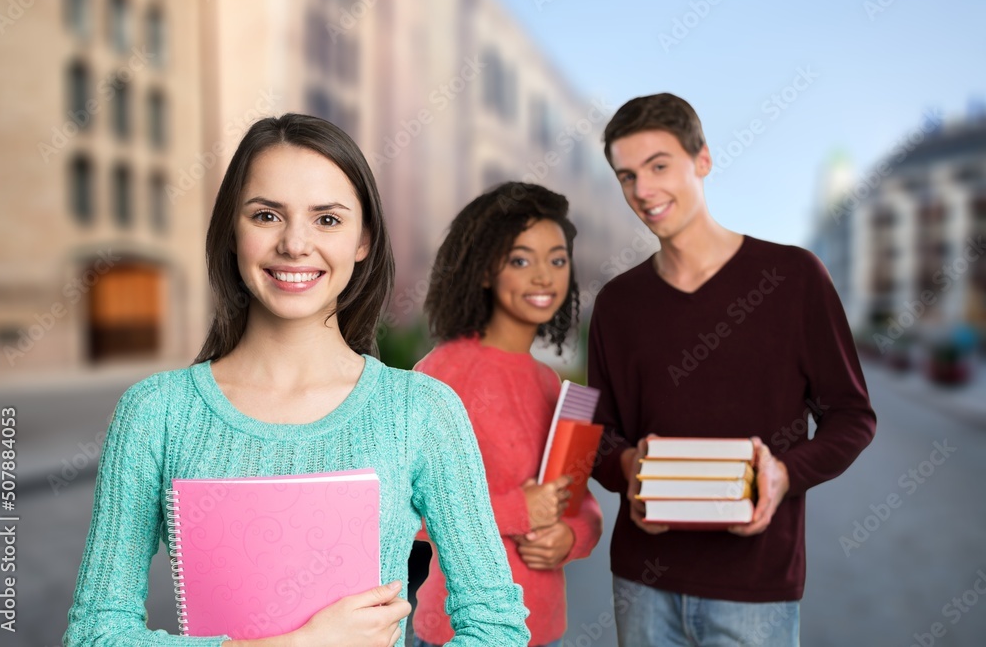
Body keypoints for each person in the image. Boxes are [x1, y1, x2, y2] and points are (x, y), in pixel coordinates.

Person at [64, 114, 530, 646]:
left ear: (363, 240)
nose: (294, 244)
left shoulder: (420, 410)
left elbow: (496, 627)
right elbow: (95, 635)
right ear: (231, 233)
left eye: (327, 220)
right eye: (266, 215)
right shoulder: (156, 413)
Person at [588, 93, 877, 646]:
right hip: (642, 582)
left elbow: (852, 416)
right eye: (627, 176)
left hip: (756, 589)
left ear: (703, 160)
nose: (643, 191)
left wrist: (784, 475)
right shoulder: (618, 304)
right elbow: (594, 433)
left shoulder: (794, 278)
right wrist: (627, 466)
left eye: (658, 166)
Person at [410, 182, 603, 647]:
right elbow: (406, 510)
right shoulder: (442, 372)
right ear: (483, 271)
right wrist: (519, 510)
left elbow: (579, 498)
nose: (544, 276)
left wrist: (571, 536)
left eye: (557, 260)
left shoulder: (549, 384)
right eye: (521, 259)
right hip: (461, 631)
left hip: (545, 628)